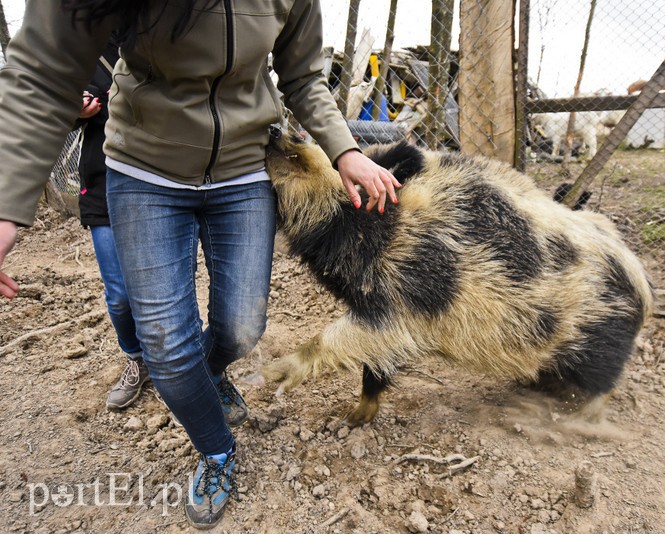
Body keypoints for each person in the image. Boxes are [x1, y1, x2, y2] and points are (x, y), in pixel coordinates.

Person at [0, 1, 401, 529]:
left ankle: (208, 374)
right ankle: (217, 450)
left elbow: (303, 75)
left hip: (243, 169)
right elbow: (42, 74)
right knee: (167, 346)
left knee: (242, 327)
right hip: (144, 170)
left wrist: (345, 150)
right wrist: (6, 204)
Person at [75, 38, 151, 411]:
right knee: (119, 294)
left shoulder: (158, 39)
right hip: (102, 186)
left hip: (157, 185)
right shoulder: (84, 51)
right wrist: (78, 110)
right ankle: (137, 358)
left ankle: (183, 366)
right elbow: (51, 111)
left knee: (167, 289)